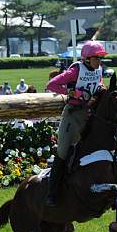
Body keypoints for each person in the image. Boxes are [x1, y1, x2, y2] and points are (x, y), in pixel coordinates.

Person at [44, 40, 107, 206]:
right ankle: (51, 193)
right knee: (63, 151)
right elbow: (51, 84)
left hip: (89, 114)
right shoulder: (75, 70)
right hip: (72, 115)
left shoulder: (99, 69)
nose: (100, 61)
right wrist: (72, 92)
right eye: (97, 58)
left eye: (101, 58)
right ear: (87, 58)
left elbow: (99, 84)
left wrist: (101, 88)